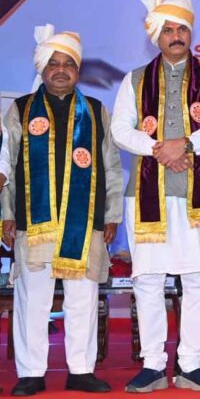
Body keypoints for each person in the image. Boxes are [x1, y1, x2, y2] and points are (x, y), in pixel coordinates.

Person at [111, 0, 200, 392]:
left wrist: (188, 144)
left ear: (190, 33)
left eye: (182, 28)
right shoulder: (134, 80)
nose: (176, 36)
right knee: (148, 280)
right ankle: (152, 364)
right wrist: (159, 149)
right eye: (168, 30)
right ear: (156, 37)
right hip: (147, 196)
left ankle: (190, 365)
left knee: (198, 280)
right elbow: (120, 129)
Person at [1, 24, 123, 396]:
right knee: (33, 300)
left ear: (78, 70)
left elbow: (112, 166)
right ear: (42, 68)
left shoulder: (96, 111)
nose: (60, 70)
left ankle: (81, 370)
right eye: (53, 63)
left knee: (82, 300)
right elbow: (6, 165)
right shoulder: (21, 109)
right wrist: (6, 214)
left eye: (68, 64)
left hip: (84, 224)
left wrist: (112, 215)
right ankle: (31, 373)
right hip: (34, 222)